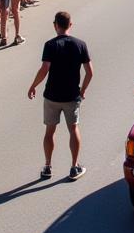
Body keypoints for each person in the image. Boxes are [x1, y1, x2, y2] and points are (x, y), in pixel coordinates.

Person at [27, 11, 92, 182]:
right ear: (70, 25)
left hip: (52, 96)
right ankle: (74, 166)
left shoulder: (50, 45)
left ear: (55, 25)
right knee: (73, 129)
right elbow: (90, 72)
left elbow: (44, 69)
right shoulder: (81, 44)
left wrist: (33, 85)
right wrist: (83, 90)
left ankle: (48, 166)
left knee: (50, 131)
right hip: (72, 95)